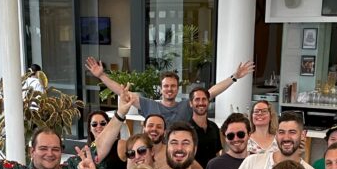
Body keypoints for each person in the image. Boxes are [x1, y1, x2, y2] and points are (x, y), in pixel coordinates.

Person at [86, 56, 253, 123]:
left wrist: (234, 77)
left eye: (173, 86)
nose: (169, 89)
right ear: (161, 88)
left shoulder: (186, 106)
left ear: (178, 88)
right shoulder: (150, 105)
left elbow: (212, 92)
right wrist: (101, 76)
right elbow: (122, 92)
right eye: (166, 86)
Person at [189, 86, 222, 168]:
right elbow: (187, 158)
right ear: (190, 103)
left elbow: (217, 153)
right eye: (197, 99)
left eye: (204, 99)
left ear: (208, 102)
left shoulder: (214, 127)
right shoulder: (186, 129)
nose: (201, 103)